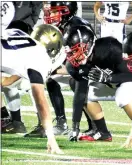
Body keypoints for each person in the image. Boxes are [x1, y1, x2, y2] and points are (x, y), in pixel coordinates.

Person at [63, 25, 132, 146]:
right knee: (82, 90)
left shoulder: (109, 47)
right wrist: (75, 126)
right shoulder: (73, 65)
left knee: (122, 96)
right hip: (112, 84)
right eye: (71, 51)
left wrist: (108, 78)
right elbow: (80, 93)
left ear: (88, 44)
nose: (73, 56)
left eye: (76, 50)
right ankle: (102, 132)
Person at [1, 1, 65, 154]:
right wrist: (51, 138)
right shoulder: (39, 57)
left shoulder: (22, 37)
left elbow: (11, 70)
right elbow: (41, 101)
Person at [24, 1, 95, 137]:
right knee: (52, 81)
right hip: (75, 64)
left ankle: (94, 125)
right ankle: (61, 123)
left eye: (56, 11)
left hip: (87, 67)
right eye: (51, 11)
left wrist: (55, 69)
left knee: (73, 84)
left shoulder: (76, 26)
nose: (51, 14)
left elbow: (81, 58)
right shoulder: (64, 24)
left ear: (67, 11)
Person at [1, 1, 42, 134]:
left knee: (32, 83)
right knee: (7, 80)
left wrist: (29, 24)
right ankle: (14, 121)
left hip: (23, 29)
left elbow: (36, 8)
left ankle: (42, 123)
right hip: (9, 30)